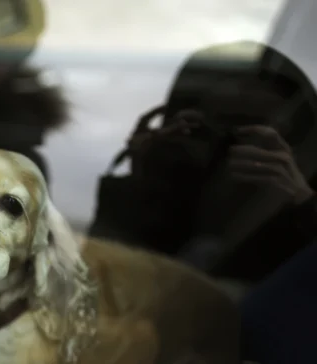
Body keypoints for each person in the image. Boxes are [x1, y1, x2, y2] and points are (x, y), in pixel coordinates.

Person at [89, 41, 317, 284]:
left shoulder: (299, 217)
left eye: (251, 126)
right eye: (208, 127)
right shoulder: (171, 199)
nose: (230, 145)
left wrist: (304, 204)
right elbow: (101, 282)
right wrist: (145, 176)